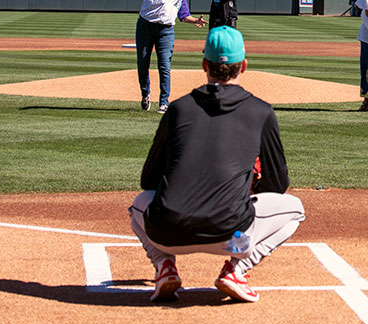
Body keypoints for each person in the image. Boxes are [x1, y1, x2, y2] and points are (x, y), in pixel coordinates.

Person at [129, 25, 305, 303]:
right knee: (295, 210)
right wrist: (249, 187)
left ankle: (163, 265)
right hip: (232, 238)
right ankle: (237, 269)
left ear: (204, 65)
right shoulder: (261, 111)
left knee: (139, 202)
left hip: (167, 234)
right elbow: (278, 184)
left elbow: (148, 181)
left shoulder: (178, 108)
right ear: (243, 66)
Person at [136, 0, 206, 113]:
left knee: (165, 66)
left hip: (166, 30)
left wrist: (196, 20)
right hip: (146, 27)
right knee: (143, 64)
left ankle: (164, 102)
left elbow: (183, 16)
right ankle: (145, 93)